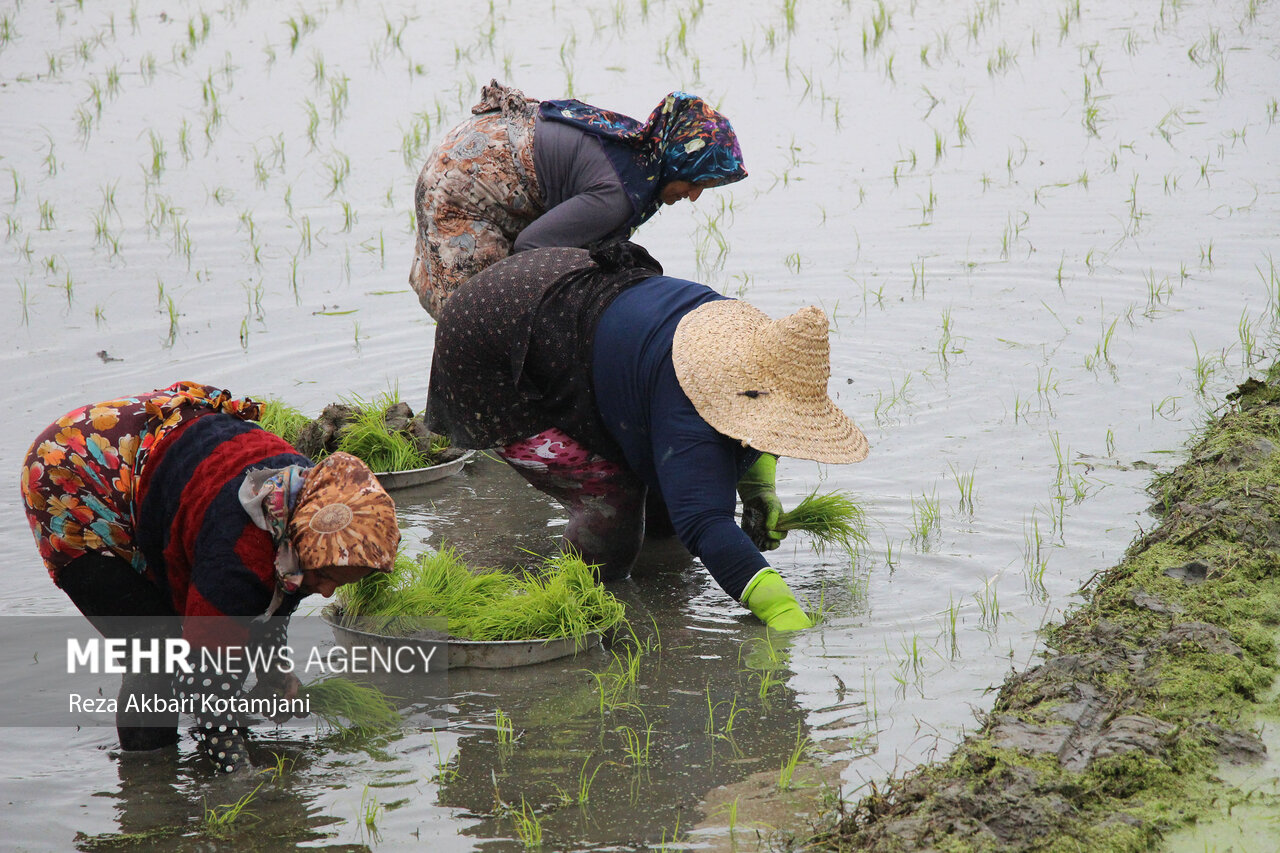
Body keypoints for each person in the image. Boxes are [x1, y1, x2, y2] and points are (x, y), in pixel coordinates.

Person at [425, 245, 868, 630]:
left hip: (560, 298)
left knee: (667, 503)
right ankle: (590, 605)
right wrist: (781, 609)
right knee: (611, 498)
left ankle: (653, 596)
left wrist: (759, 491)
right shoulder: (686, 398)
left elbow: (759, 428)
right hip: (490, 342)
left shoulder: (749, 355)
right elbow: (704, 522)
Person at [19, 381, 401, 773]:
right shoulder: (240, 550)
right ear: (300, 543)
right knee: (157, 647)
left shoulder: (306, 507)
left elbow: (268, 600)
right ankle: (147, 784)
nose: (325, 591)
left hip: (154, 456)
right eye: (325, 576)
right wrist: (236, 774)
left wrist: (273, 669)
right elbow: (202, 677)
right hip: (75, 471)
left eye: (341, 583)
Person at [409, 79, 747, 318]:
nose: (694, 196)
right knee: (480, 314)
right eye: (695, 181)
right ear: (676, 162)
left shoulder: (642, 150)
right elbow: (531, 248)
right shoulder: (618, 195)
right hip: (464, 182)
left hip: (471, 150)